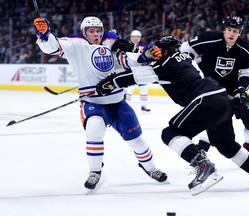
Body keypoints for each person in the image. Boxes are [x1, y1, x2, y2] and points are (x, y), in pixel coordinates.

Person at [96, 36, 249, 195]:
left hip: (204, 101)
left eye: (159, 50)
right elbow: (148, 60)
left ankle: (203, 165)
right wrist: (136, 51)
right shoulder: (186, 59)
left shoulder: (165, 65)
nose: (156, 54)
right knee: (227, 145)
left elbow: (135, 76)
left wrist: (109, 83)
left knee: (170, 133)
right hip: (222, 99)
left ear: (165, 50)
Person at [33, 16, 168, 192]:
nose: (95, 34)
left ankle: (151, 169)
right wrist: (44, 35)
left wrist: (148, 54)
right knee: (94, 130)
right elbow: (52, 47)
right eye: (91, 31)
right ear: (84, 33)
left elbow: (133, 59)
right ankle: (95, 171)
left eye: (98, 30)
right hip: (93, 103)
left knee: (137, 141)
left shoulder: (112, 46)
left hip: (118, 103)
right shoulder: (76, 47)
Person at [180, 15, 249, 168]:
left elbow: (247, 75)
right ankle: (200, 152)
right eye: (229, 29)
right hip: (209, 89)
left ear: (240, 32)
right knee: (213, 120)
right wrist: (190, 67)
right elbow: (185, 48)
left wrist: (241, 91)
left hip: (233, 89)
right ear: (224, 29)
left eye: (235, 31)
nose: (231, 33)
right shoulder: (209, 38)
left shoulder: (246, 49)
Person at [125, 30, 151, 112]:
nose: (136, 38)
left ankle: (144, 105)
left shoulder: (143, 47)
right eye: (134, 37)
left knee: (144, 88)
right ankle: (126, 105)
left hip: (141, 71)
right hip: (131, 71)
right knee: (129, 89)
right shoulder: (127, 47)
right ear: (131, 37)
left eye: (137, 37)